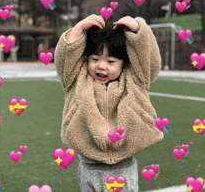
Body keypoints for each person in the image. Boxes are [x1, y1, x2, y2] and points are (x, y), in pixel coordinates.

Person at [54, 14, 164, 192]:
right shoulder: (76, 80)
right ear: (86, 59)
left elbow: (149, 61)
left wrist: (138, 31)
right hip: (90, 168)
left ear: (124, 63)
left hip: (124, 167)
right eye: (95, 59)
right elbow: (64, 60)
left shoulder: (136, 80)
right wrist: (78, 29)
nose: (101, 66)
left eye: (111, 61)